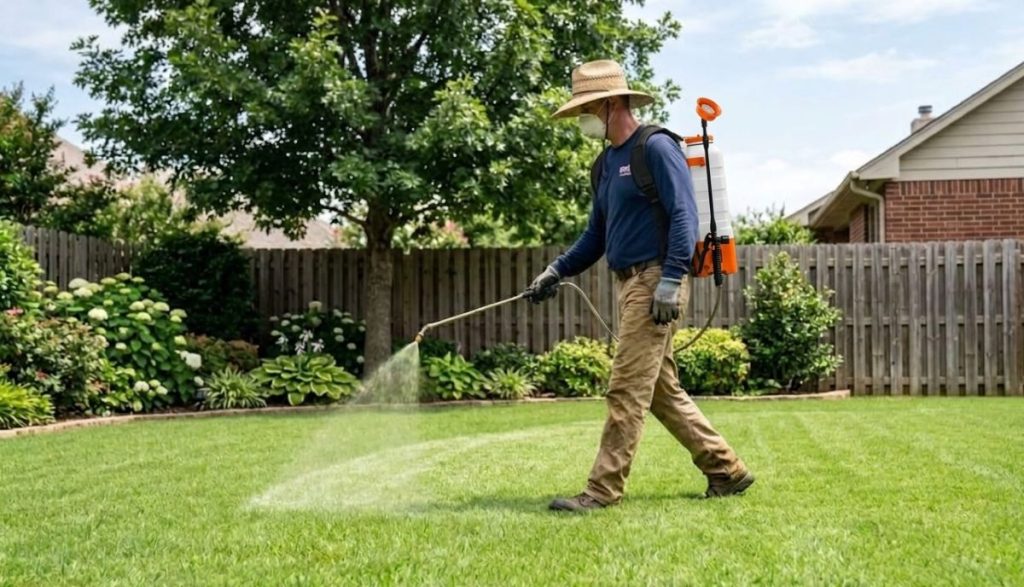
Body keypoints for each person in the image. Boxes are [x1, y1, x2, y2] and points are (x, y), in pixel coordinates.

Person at [524, 60, 754, 512]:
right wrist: (556, 270)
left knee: (625, 388)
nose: (581, 122)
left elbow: (684, 213)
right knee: (661, 391)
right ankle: (726, 470)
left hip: (655, 281)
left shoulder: (655, 148)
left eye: (585, 111)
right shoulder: (604, 165)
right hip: (628, 283)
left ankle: (601, 491)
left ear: (610, 104)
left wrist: (671, 280)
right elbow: (596, 236)